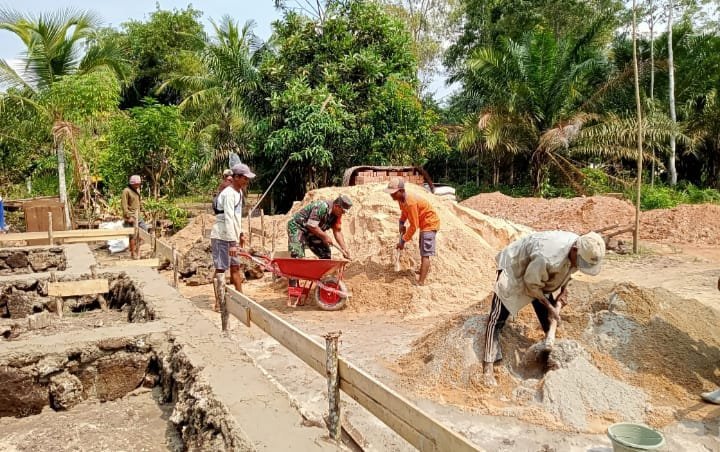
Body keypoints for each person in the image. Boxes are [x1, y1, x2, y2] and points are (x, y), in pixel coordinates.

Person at [482, 230, 606, 386]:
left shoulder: (581, 247)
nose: (580, 265)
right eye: (581, 262)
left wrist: (563, 290)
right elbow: (532, 285)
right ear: (575, 250)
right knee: (497, 318)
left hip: (538, 273)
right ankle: (488, 365)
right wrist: (550, 307)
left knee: (549, 317)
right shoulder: (546, 257)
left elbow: (570, 270)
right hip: (515, 267)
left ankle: (549, 353)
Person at [210, 163, 255, 311]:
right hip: (222, 236)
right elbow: (228, 218)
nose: (247, 181)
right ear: (236, 177)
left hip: (232, 236)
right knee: (221, 269)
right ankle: (219, 302)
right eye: (244, 178)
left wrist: (240, 233)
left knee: (235, 267)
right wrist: (232, 243)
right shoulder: (229, 194)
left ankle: (240, 297)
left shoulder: (239, 192)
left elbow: (237, 217)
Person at [384, 177, 440, 286]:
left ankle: (421, 281)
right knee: (422, 248)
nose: (391, 196)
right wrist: (401, 222)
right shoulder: (401, 200)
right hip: (424, 224)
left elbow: (414, 226)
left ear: (401, 191)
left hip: (430, 223)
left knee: (425, 253)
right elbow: (404, 213)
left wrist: (403, 241)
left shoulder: (411, 202)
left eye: (393, 193)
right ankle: (422, 270)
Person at [287, 195, 353, 266]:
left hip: (313, 231)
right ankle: (294, 276)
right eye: (343, 211)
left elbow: (337, 231)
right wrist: (325, 237)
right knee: (298, 255)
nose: (343, 213)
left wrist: (344, 248)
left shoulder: (337, 215)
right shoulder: (321, 207)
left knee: (325, 254)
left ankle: (321, 275)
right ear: (336, 206)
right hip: (298, 227)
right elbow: (312, 225)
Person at [121, 175, 149, 259]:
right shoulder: (126, 191)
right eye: (136, 184)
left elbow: (138, 202)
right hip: (130, 216)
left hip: (138, 216)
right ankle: (133, 253)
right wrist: (128, 216)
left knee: (144, 230)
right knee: (132, 236)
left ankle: (137, 249)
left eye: (138, 184)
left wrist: (144, 211)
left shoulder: (137, 190)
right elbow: (124, 205)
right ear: (132, 184)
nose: (138, 185)